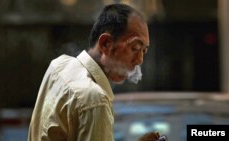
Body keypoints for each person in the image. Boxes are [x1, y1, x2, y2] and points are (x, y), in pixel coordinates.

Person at [28, 3, 162, 141]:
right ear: (105, 44)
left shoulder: (60, 65)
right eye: (135, 47)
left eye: (144, 51)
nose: (140, 60)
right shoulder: (95, 101)